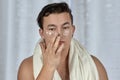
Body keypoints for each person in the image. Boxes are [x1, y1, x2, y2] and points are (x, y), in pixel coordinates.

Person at [17, 2, 108, 80]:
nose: (59, 34)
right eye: (52, 29)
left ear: (73, 30)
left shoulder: (94, 65)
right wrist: (48, 67)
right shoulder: (28, 68)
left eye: (65, 28)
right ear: (42, 33)